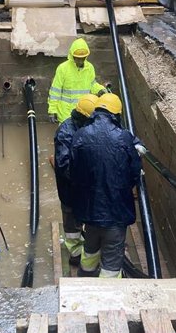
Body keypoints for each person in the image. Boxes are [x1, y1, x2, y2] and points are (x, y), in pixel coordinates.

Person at [70, 93, 142, 278]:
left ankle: (85, 277)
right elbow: (135, 172)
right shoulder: (124, 138)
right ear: (116, 114)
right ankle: (106, 293)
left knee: (90, 250)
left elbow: (74, 173)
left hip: (91, 212)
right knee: (111, 263)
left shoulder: (80, 135)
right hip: (116, 215)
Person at [53, 94, 99, 266]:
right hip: (70, 190)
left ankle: (87, 247)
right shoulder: (66, 133)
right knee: (72, 223)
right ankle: (75, 253)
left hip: (85, 189)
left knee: (88, 218)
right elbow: (65, 166)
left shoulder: (86, 128)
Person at [48, 38, 106, 124]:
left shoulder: (89, 68)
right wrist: (52, 111)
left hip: (83, 111)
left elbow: (92, 84)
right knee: (66, 136)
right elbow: (55, 90)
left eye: (83, 58)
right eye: (78, 58)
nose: (80, 61)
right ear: (72, 56)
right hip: (66, 114)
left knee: (82, 136)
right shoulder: (63, 69)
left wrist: (100, 89)